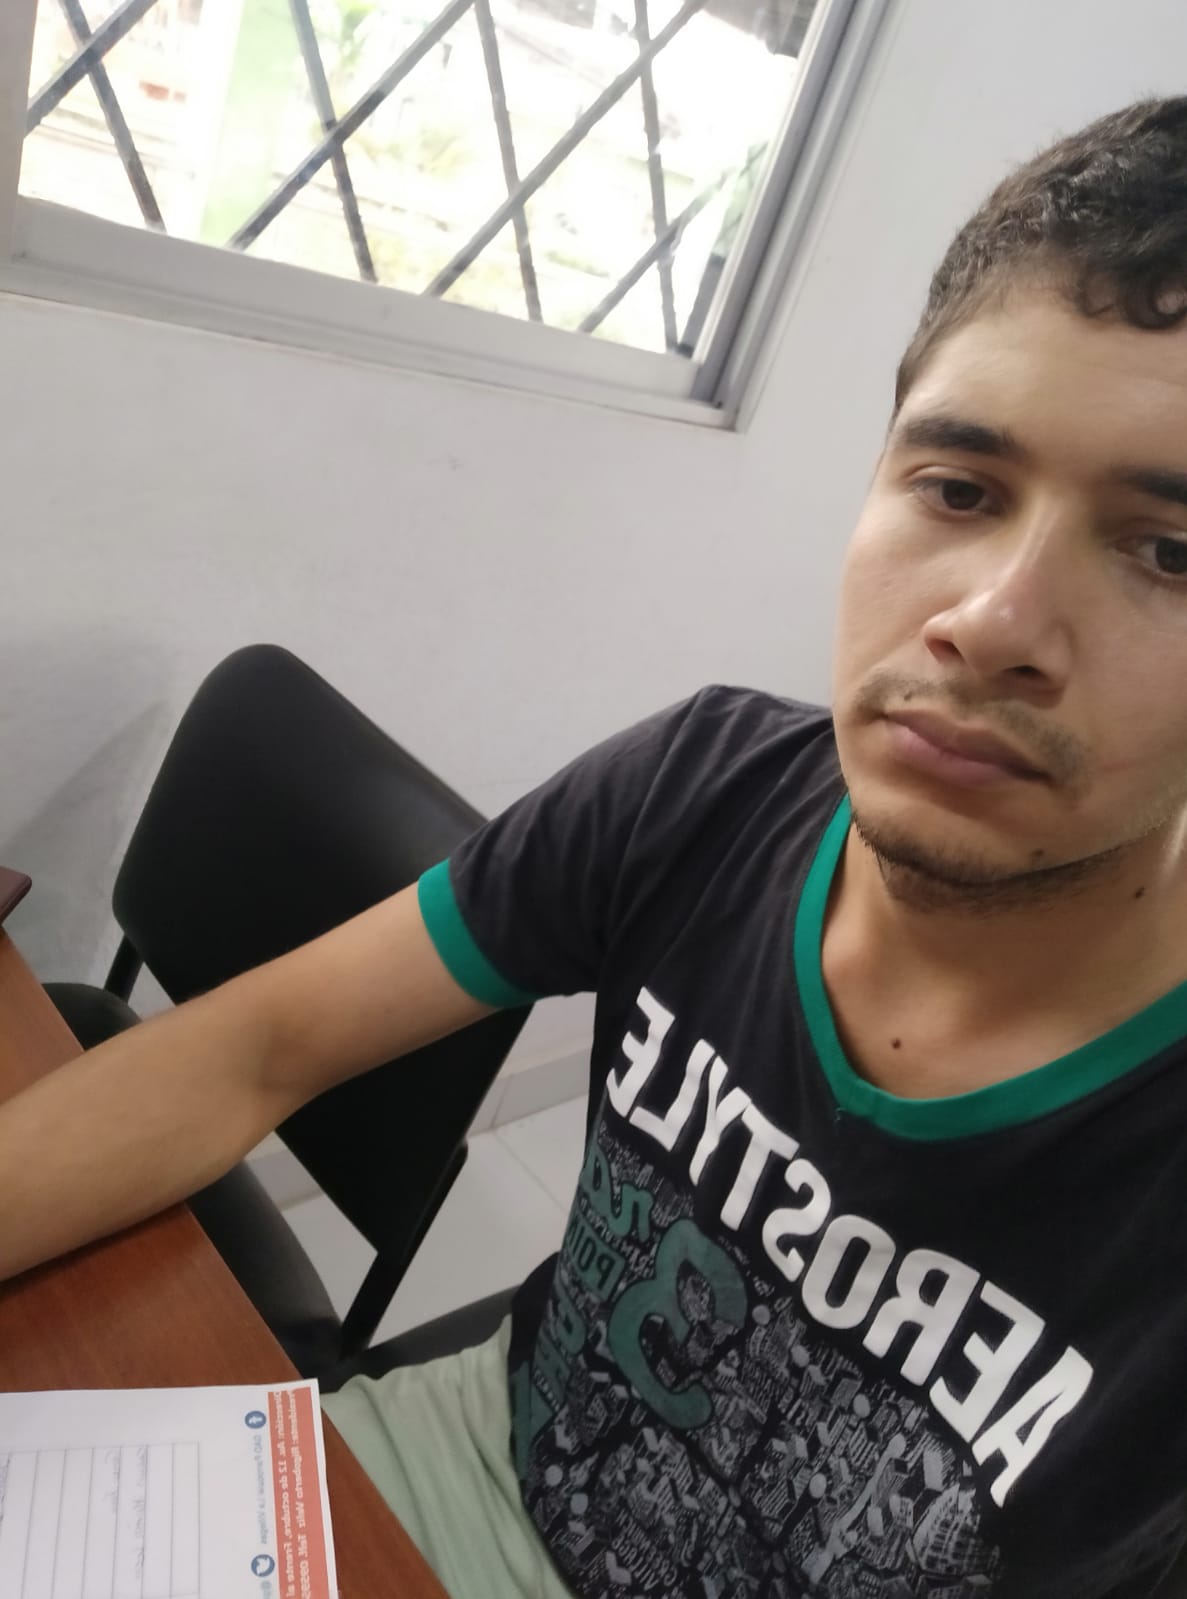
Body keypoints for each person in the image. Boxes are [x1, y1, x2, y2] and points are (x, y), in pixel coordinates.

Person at [4, 94, 1187, 1599]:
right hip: (463, 1463)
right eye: (957, 488)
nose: (994, 621)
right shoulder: (703, 789)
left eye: (1171, 550)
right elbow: (259, 1047)